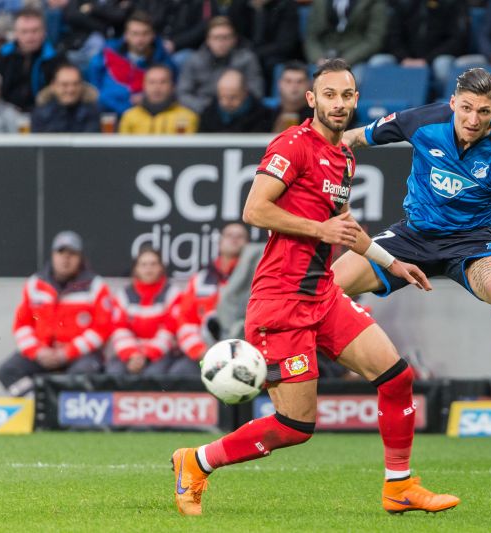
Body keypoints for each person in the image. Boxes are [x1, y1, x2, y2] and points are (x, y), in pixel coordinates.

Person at [171, 59, 459, 517]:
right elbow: (254, 210)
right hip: (280, 301)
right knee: (295, 426)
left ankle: (399, 486)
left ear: (356, 100)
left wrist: (393, 262)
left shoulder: (345, 156)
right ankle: (197, 461)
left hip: (322, 294)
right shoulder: (292, 144)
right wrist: (318, 231)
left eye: (347, 96)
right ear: (312, 99)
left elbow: (345, 230)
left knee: (397, 377)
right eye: (329, 95)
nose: (339, 104)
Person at [335, 67, 491, 437]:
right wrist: (312, 146)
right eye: (466, 108)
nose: (473, 119)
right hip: (413, 237)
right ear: (453, 102)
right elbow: (356, 137)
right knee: (329, 285)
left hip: (472, 245)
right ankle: (292, 365)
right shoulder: (422, 122)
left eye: (483, 112)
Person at [0, 231, 114, 397]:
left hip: (79, 355)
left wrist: (67, 352)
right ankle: (40, 405)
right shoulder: (35, 284)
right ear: (53, 255)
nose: (66, 258)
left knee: (83, 375)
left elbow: (102, 329)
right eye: (61, 252)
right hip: (43, 353)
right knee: (7, 371)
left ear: (80, 257)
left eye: (72, 254)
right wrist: (38, 351)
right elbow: (22, 325)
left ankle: (61, 413)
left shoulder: (95, 285)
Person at [174, 222, 249, 375]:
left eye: (240, 236)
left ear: (247, 244)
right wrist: (200, 350)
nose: (234, 240)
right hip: (204, 352)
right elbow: (185, 320)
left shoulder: (255, 279)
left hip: (243, 353)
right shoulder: (200, 280)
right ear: (220, 242)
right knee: (178, 373)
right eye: (229, 235)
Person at [367, 0, 469, 94]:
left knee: (442, 65)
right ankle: (379, 109)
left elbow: (456, 40)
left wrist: (427, 60)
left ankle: (446, 106)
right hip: (404, 59)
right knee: (378, 62)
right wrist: (404, 58)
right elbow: (393, 37)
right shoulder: (403, 4)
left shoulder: (451, 3)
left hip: (436, 58)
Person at [107, 247, 181, 376]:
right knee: (114, 372)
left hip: (162, 354)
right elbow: (119, 329)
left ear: (161, 268)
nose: (149, 269)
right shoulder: (123, 295)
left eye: (153, 264)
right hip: (130, 353)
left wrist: (146, 355)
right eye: (144, 264)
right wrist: (133, 354)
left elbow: (169, 331)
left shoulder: (173, 294)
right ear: (136, 269)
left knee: (153, 374)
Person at [87, 10, 175, 115]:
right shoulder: (108, 51)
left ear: (153, 35)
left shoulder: (163, 61)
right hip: (109, 112)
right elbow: (95, 85)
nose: (140, 39)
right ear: (126, 35)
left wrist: (145, 99)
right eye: (135, 34)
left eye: (145, 33)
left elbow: (169, 91)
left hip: (146, 116)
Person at [176, 16, 263, 114]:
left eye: (226, 37)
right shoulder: (193, 60)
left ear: (234, 40)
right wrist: (209, 111)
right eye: (216, 37)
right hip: (202, 112)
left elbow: (256, 92)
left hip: (239, 112)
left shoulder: (247, 59)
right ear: (208, 40)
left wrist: (233, 107)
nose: (221, 42)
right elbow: (183, 94)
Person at [0, 7, 63, 111]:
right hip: (6, 112)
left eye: (35, 31)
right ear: (16, 33)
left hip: (43, 113)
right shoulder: (3, 55)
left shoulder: (56, 58)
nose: (30, 37)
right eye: (24, 32)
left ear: (44, 32)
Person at [226, 0, 301, 88]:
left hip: (273, 56)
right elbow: (234, 35)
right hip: (244, 53)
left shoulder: (286, 4)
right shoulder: (238, 5)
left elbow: (286, 43)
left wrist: (254, 54)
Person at [304, 0, 387, 72]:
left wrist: (347, 59)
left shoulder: (373, 2)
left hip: (357, 58)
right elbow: (311, 36)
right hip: (324, 54)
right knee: (305, 79)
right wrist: (318, 58)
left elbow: (373, 39)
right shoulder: (320, 2)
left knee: (351, 80)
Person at [118, 63, 198, 134]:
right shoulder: (129, 116)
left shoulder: (187, 117)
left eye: (163, 82)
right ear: (144, 86)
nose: (157, 88)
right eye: (152, 82)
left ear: (172, 86)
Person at [60, 0, 134, 72]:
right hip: (78, 42)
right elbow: (72, 16)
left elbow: (118, 16)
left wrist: (93, 8)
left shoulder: (119, 2)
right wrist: (101, 26)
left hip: (107, 44)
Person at [198, 67, 273, 132]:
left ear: (245, 93)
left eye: (233, 97)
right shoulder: (208, 114)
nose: (226, 102)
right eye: (222, 97)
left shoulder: (262, 116)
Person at [31, 62, 101, 132]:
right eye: (64, 85)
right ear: (53, 85)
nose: (70, 90)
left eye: (75, 84)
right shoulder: (41, 115)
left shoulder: (93, 112)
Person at [270, 59, 313, 132]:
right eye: (288, 81)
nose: (294, 86)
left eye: (300, 81)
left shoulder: (317, 117)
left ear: (309, 84)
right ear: (279, 84)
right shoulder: (265, 115)